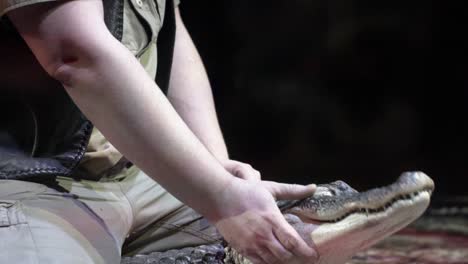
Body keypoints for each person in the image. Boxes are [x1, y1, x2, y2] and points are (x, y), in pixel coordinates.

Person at [0, 0, 319, 263]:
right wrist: (219, 196)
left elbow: (169, 26)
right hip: (28, 181)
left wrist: (214, 165)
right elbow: (75, 54)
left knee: (329, 236)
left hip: (135, 175)